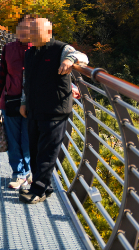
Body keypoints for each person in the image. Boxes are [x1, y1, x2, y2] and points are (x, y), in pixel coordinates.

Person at [19, 17, 88, 204]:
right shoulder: (31, 53)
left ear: (49, 32)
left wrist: (69, 60)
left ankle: (39, 190)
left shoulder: (61, 49)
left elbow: (83, 57)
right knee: (34, 150)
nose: (31, 34)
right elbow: (27, 79)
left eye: (35, 31)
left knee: (47, 152)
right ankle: (43, 186)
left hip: (55, 110)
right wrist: (23, 102)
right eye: (30, 31)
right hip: (34, 108)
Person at [0, 14, 32, 190]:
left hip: (33, 102)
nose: (23, 31)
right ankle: (18, 174)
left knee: (28, 140)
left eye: (28, 28)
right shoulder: (8, 48)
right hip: (11, 99)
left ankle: (27, 171)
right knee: (13, 140)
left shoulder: (40, 49)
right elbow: (3, 72)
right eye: (21, 28)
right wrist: (1, 96)